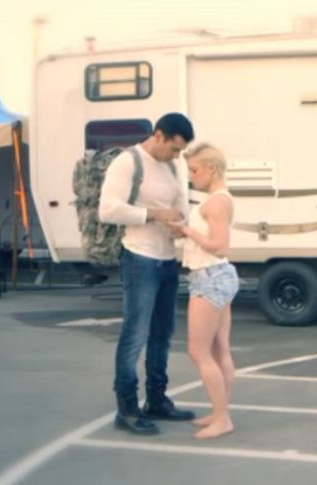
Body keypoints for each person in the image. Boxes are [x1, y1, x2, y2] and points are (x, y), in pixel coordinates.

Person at [98, 113, 196, 435]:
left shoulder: (171, 167)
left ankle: (157, 399)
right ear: (158, 136)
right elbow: (108, 210)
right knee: (135, 334)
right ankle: (127, 408)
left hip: (167, 259)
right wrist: (154, 214)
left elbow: (180, 206)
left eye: (181, 151)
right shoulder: (128, 162)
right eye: (174, 148)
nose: (177, 156)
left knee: (162, 334)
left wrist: (181, 224)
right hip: (139, 258)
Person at [168, 143, 239, 439]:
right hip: (216, 275)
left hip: (209, 276)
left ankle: (222, 418)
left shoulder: (217, 202)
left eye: (194, 170)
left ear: (212, 169)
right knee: (219, 348)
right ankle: (220, 411)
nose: (191, 176)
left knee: (198, 351)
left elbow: (220, 246)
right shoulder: (218, 199)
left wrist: (188, 231)